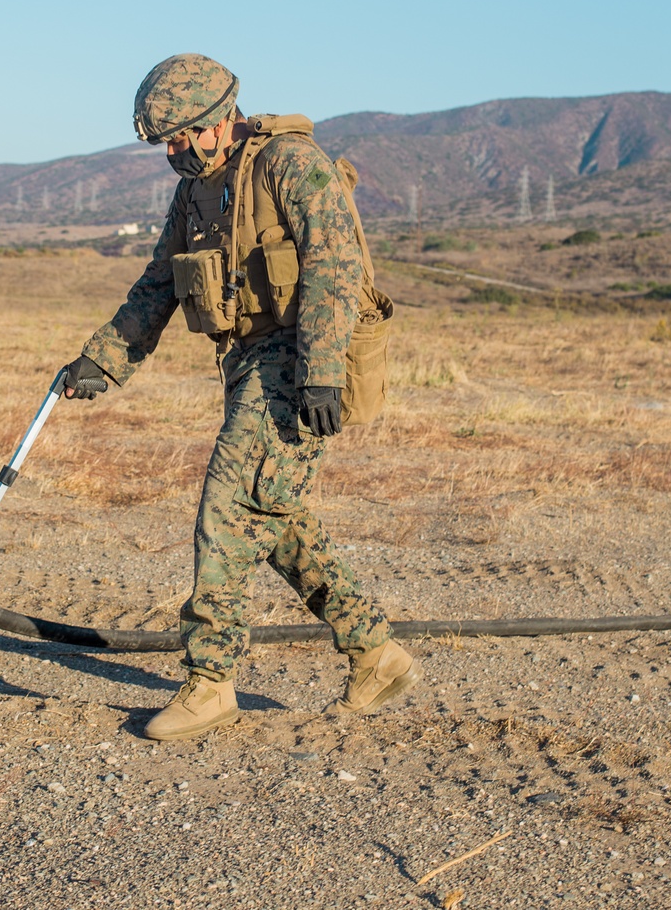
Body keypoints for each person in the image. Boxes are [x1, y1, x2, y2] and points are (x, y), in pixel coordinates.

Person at [60, 54, 422, 741]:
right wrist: (101, 362)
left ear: (216, 121)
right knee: (275, 516)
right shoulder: (197, 189)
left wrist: (319, 370)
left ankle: (210, 682)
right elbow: (158, 286)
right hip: (249, 362)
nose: (170, 151)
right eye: (164, 141)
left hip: (303, 355)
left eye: (178, 136)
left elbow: (335, 265)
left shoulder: (291, 163)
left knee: (229, 506)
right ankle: (377, 653)